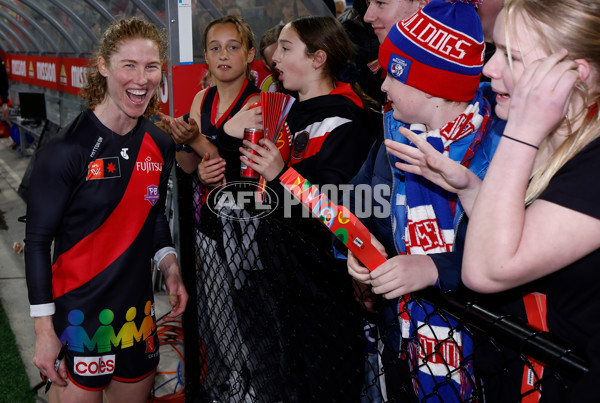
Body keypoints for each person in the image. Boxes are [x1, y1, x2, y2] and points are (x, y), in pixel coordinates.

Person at [386, 0, 600, 400]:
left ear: (575, 75)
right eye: (495, 49)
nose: (488, 68)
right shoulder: (560, 142)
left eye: (511, 56)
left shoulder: (588, 158)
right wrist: (469, 188)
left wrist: (522, 128)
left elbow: (487, 270)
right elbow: (521, 233)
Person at [24, 17, 188, 402]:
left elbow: (152, 213)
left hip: (137, 322)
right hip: (76, 323)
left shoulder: (160, 143)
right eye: (128, 65)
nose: (141, 79)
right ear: (103, 67)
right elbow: (36, 244)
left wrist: (170, 266)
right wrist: (44, 331)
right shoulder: (65, 151)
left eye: (151, 67)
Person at [344, 0, 502, 400]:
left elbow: (514, 241)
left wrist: (435, 267)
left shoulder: (499, 147)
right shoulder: (395, 135)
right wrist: (354, 243)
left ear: (429, 85)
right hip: (407, 338)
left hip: (486, 348)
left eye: (391, 76)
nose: (381, 87)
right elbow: (361, 201)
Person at [240, 15, 374, 402]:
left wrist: (280, 175)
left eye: (286, 48)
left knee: (326, 387)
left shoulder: (345, 122)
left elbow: (336, 213)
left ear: (318, 58)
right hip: (283, 280)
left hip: (324, 288)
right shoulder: (287, 114)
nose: (274, 59)